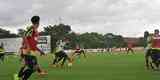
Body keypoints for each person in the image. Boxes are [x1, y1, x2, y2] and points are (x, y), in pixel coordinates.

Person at [14, 16, 47, 80]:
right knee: (32, 68)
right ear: (38, 22)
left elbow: (33, 44)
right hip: (28, 52)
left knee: (34, 67)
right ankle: (18, 76)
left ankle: (19, 76)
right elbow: (24, 36)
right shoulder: (32, 28)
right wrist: (28, 47)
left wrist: (40, 51)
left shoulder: (35, 30)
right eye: (39, 22)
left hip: (31, 52)